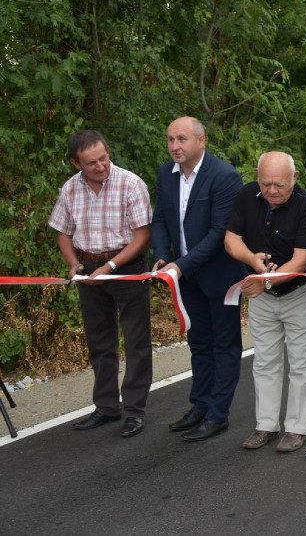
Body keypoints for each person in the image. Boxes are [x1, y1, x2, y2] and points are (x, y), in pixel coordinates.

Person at [49, 130, 153, 438]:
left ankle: (134, 410)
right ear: (76, 163)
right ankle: (107, 406)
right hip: (88, 266)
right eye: (91, 162)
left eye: (104, 158)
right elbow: (63, 233)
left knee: (136, 342)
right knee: (99, 340)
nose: (100, 166)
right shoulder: (69, 189)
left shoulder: (130, 184)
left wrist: (110, 266)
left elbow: (143, 236)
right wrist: (73, 264)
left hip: (126, 266)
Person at [151, 116, 247, 442]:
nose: (175, 146)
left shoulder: (224, 176)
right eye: (170, 139)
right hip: (187, 278)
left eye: (182, 139)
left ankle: (218, 414)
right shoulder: (166, 174)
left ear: (201, 141)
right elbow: (161, 219)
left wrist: (181, 265)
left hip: (222, 277)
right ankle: (200, 405)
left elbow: (221, 233)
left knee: (224, 346)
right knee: (199, 345)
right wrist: (164, 255)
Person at [224, 152, 306, 452]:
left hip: (299, 292)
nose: (271, 190)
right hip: (261, 293)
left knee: (302, 363)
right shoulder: (246, 195)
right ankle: (266, 424)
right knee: (264, 360)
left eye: (279, 183)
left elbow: (302, 260)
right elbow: (231, 239)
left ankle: (296, 428)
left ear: (294, 178)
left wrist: (264, 281)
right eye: (265, 182)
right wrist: (250, 259)